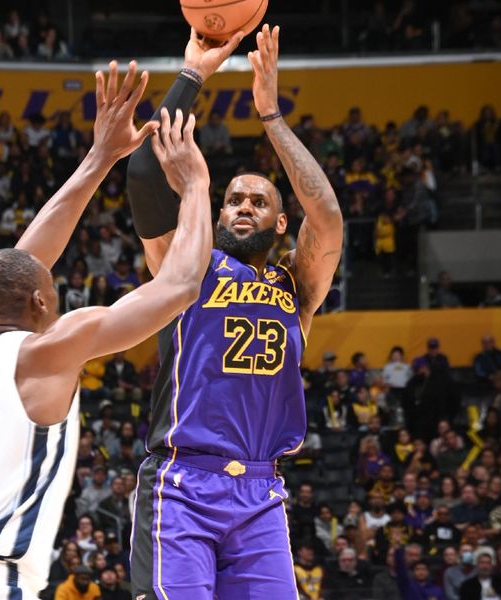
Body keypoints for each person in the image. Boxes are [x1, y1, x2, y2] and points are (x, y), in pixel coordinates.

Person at [0, 61, 211, 599]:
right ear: (40, 301)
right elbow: (181, 286)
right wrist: (194, 186)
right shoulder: (45, 351)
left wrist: (100, 157)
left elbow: (19, 264)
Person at [126, 26, 343, 599]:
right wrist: (193, 74)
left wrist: (271, 116)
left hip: (260, 492)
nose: (243, 205)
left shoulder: (294, 282)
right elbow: (145, 174)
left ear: (278, 222)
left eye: (259, 201)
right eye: (233, 199)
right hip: (183, 483)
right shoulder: (187, 267)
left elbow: (325, 217)